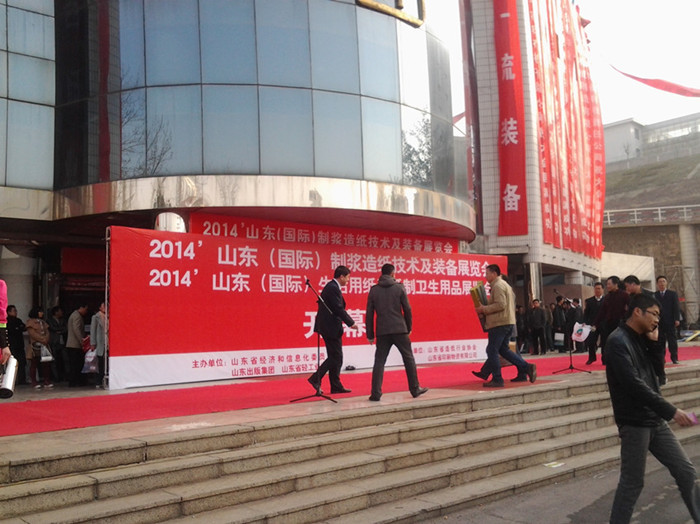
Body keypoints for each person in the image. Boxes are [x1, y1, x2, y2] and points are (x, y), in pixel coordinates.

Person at [605, 293, 700, 523]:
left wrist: (655, 343)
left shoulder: (641, 338)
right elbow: (633, 385)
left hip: (656, 421)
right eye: (654, 314)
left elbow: (658, 373)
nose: (657, 320)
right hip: (635, 423)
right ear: (638, 312)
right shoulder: (617, 342)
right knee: (632, 483)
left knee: (686, 472)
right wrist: (672, 411)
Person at [365, 263, 427, 401]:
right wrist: (408, 327)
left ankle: (375, 393)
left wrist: (370, 334)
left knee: (379, 361)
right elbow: (407, 309)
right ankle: (415, 388)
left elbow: (369, 313)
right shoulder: (399, 287)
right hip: (399, 329)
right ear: (393, 274)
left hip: (382, 331)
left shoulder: (374, 290)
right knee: (408, 358)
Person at [473, 264, 536, 388]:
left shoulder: (498, 286)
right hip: (506, 322)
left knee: (492, 350)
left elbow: (500, 305)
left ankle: (497, 379)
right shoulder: (503, 285)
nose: (485, 276)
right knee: (503, 350)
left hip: (499, 323)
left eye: (487, 273)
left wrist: (483, 309)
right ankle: (526, 367)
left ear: (494, 273)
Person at [307, 266, 358, 395]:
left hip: (331, 327)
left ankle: (335, 386)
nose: (348, 280)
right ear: (341, 276)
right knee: (335, 356)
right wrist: (351, 322)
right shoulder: (332, 288)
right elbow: (338, 308)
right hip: (329, 327)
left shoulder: (333, 287)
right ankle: (316, 378)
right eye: (348, 277)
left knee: (336, 357)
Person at [624, 274, 665, 384]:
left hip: (652, 329)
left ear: (633, 284)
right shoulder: (630, 298)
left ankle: (661, 375)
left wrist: (654, 327)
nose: (627, 289)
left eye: (627, 286)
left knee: (656, 352)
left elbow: (658, 312)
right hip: (639, 331)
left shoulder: (650, 295)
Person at [594, 276, 630, 364]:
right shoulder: (607, 297)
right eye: (607, 284)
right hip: (608, 323)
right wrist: (595, 323)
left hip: (620, 324)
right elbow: (602, 312)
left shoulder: (624, 295)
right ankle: (606, 359)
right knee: (606, 342)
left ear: (616, 284)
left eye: (609, 284)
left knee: (619, 343)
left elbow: (630, 309)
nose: (607, 286)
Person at [655, 276, 681, 365]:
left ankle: (674, 358)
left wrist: (677, 319)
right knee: (660, 340)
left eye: (663, 281)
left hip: (670, 320)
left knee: (672, 340)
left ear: (666, 283)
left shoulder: (672, 294)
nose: (662, 283)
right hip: (659, 321)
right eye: (660, 282)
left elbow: (676, 307)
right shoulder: (655, 295)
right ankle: (662, 358)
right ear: (657, 284)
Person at [25, 306, 54, 389]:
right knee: (34, 364)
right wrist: (42, 339)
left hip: (44, 346)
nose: (42, 313)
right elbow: (32, 334)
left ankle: (46, 381)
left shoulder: (43, 322)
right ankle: (34, 382)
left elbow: (47, 332)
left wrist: (46, 339)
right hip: (35, 346)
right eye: (40, 312)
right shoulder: (30, 322)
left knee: (46, 364)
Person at [65, 303, 88, 387]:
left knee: (75, 364)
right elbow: (76, 329)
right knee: (76, 364)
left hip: (73, 344)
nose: (86, 311)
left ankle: (75, 381)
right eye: (85, 309)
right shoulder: (77, 316)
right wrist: (82, 341)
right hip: (75, 344)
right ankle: (74, 381)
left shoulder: (74, 315)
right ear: (81, 308)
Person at [584, 282, 605, 364]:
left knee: (604, 343)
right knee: (591, 341)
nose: (597, 290)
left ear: (602, 290)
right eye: (596, 289)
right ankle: (592, 358)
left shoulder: (606, 300)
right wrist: (585, 323)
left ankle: (604, 359)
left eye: (599, 288)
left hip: (604, 325)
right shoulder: (589, 301)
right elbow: (586, 314)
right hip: (593, 325)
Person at [6, 305, 27, 385]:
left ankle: (22, 380)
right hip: (11, 345)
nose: (16, 312)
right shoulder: (7, 321)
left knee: (22, 362)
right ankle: (11, 381)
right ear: (9, 312)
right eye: (14, 311)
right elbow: (11, 330)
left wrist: (18, 328)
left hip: (20, 345)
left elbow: (24, 327)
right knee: (12, 363)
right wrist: (17, 328)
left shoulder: (18, 320)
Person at [48, 305, 68, 383]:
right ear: (56, 312)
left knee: (65, 360)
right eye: (60, 311)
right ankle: (56, 377)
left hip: (62, 342)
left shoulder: (63, 320)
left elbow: (66, 329)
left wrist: (59, 331)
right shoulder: (49, 320)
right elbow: (52, 328)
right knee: (54, 360)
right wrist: (60, 330)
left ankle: (66, 376)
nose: (61, 312)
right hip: (54, 342)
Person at [90, 302, 107, 389]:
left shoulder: (108, 316)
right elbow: (93, 331)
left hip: (107, 342)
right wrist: (92, 343)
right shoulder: (95, 317)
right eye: (104, 306)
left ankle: (104, 379)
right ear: (100, 308)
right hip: (100, 342)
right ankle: (98, 381)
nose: (105, 307)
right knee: (99, 362)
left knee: (105, 362)